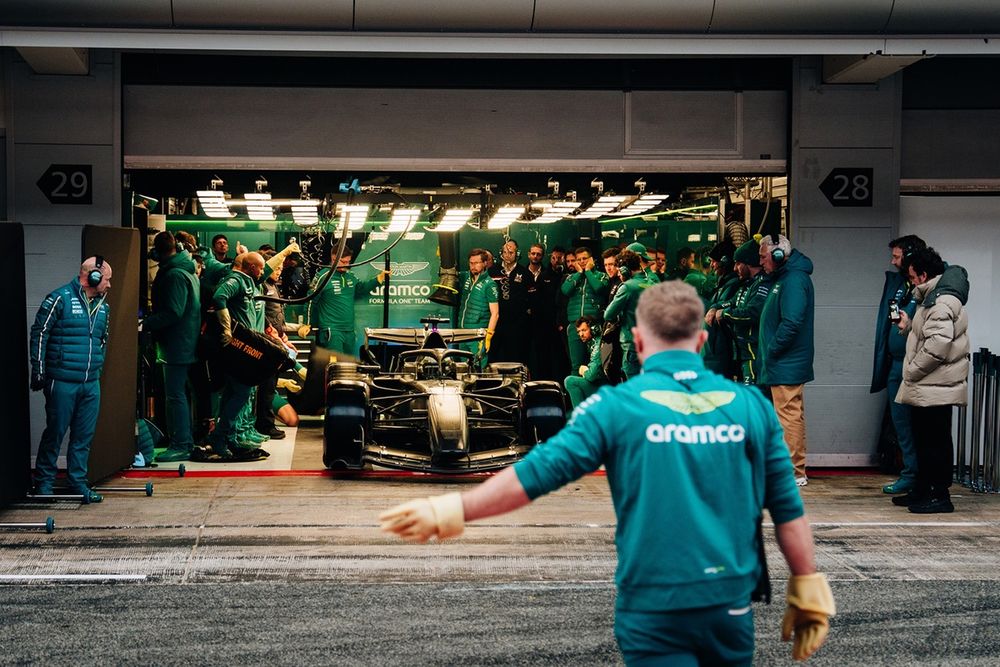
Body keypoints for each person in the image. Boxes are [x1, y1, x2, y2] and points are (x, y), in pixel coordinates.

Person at [380, 281, 835, 665]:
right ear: (701, 341)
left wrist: (453, 510)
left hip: (654, 604)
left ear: (638, 341)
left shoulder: (615, 407)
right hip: (728, 606)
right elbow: (788, 510)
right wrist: (806, 584)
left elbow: (535, 475)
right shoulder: (751, 406)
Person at [892, 247, 969, 514]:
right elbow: (929, 335)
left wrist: (911, 372)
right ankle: (924, 489)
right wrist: (908, 327)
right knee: (925, 440)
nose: (911, 282)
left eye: (913, 277)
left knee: (934, 442)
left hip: (935, 385)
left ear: (923, 275)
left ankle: (939, 495)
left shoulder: (941, 302)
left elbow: (937, 346)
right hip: (931, 385)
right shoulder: (933, 298)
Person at [30, 256, 113, 503]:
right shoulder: (59, 298)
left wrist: (97, 369)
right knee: (55, 433)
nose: (109, 285)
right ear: (93, 277)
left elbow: (103, 340)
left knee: (83, 437)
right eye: (107, 279)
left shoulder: (103, 307)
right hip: (62, 381)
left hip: (90, 383)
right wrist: (39, 368)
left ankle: (78, 483)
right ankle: (44, 483)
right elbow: (40, 332)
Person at [758, 234, 815, 487]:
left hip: (786, 361)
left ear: (779, 255)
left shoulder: (793, 280)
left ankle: (794, 472)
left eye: (764, 257)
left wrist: (772, 349)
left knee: (788, 415)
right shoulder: (784, 278)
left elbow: (792, 322)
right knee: (786, 415)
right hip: (781, 361)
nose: (761, 262)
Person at [871, 235, 926, 495]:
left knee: (919, 424)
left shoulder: (929, 283)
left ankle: (921, 476)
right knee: (900, 422)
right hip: (895, 364)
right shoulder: (897, 283)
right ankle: (909, 473)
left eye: (896, 256)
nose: (892, 261)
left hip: (916, 364)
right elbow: (890, 319)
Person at [143, 232, 201, 463]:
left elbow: (174, 312)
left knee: (175, 395)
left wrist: (145, 323)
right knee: (180, 395)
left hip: (177, 343)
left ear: (158, 252)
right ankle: (183, 441)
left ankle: (181, 444)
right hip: (185, 341)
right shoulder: (186, 270)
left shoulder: (174, 275)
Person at [300, 245, 389, 357]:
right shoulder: (323, 276)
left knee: (348, 363)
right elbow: (311, 300)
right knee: (335, 364)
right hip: (331, 331)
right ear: (333, 258)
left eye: (348, 262)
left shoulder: (350, 276)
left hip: (349, 331)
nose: (346, 265)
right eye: (343, 262)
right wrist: (307, 323)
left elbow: (361, 289)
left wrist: (378, 279)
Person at [715, 237, 769, 385]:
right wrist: (715, 308)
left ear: (749, 263)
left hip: (754, 355)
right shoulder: (746, 285)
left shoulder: (762, 285)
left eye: (738, 263)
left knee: (752, 396)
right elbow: (731, 302)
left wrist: (725, 313)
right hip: (742, 354)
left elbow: (752, 313)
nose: (734, 268)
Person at [604, 249, 649, 380]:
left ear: (624, 270)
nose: (618, 273)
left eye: (619, 270)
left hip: (632, 346)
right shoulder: (652, 283)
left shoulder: (627, 287)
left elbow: (608, 315)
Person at [561, 246, 609, 370]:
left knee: (596, 364)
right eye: (579, 259)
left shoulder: (602, 275)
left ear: (591, 259)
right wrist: (579, 273)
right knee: (576, 365)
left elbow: (599, 288)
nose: (582, 261)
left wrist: (588, 271)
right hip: (575, 325)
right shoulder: (571, 277)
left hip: (594, 324)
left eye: (585, 258)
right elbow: (565, 290)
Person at [524, 243, 564, 381]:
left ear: (543, 256)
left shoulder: (548, 274)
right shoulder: (522, 273)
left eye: (538, 254)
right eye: (533, 253)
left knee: (549, 355)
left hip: (548, 321)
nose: (535, 256)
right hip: (527, 321)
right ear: (528, 254)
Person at [701, 241, 740, 379]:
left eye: (713, 261)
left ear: (724, 261)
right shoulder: (724, 284)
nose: (711, 265)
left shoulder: (733, 285)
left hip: (721, 352)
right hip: (715, 352)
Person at [488, 239, 530, 364]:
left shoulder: (524, 273)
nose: (507, 255)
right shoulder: (492, 271)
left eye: (511, 252)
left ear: (517, 253)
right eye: (505, 252)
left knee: (515, 354)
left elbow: (531, 297)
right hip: (496, 320)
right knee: (494, 354)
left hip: (517, 323)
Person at [455, 248, 499, 366]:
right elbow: (449, 274)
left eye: (476, 263)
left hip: (477, 335)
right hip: (461, 333)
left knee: (477, 369)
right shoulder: (465, 277)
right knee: (462, 368)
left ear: (485, 263)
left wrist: (489, 335)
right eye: (471, 263)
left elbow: (495, 313)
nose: (473, 266)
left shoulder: (490, 284)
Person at [563, 316, 606, 408]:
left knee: (570, 381)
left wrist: (584, 370)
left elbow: (591, 375)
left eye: (584, 330)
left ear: (594, 329)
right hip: (603, 385)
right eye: (579, 331)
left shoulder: (598, 344)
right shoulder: (592, 343)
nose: (581, 334)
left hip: (605, 388)